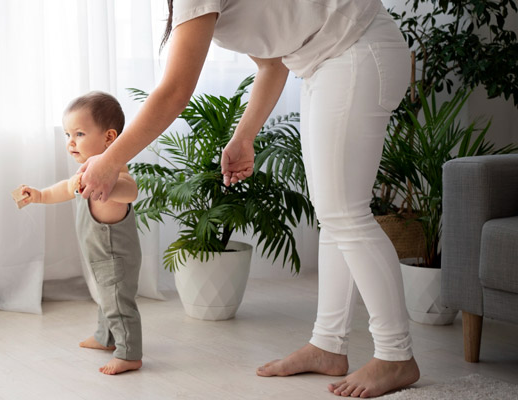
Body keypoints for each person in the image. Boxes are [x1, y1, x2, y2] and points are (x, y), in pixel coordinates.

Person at [76, 0, 420, 396]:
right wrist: (243, 138)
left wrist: (111, 159)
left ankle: (396, 355)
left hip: (356, 48)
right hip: (328, 61)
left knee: (345, 214)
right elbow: (273, 63)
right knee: (335, 217)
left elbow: (174, 92)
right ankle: (328, 345)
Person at [17, 91, 143, 375]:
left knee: (118, 304)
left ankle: (129, 353)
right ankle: (105, 337)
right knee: (104, 298)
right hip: (99, 258)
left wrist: (110, 186)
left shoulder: (116, 175)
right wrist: (37, 195)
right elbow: (63, 189)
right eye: (67, 135)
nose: (71, 142)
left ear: (109, 138)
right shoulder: (86, 173)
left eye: (79, 133)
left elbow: (130, 191)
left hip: (115, 260)